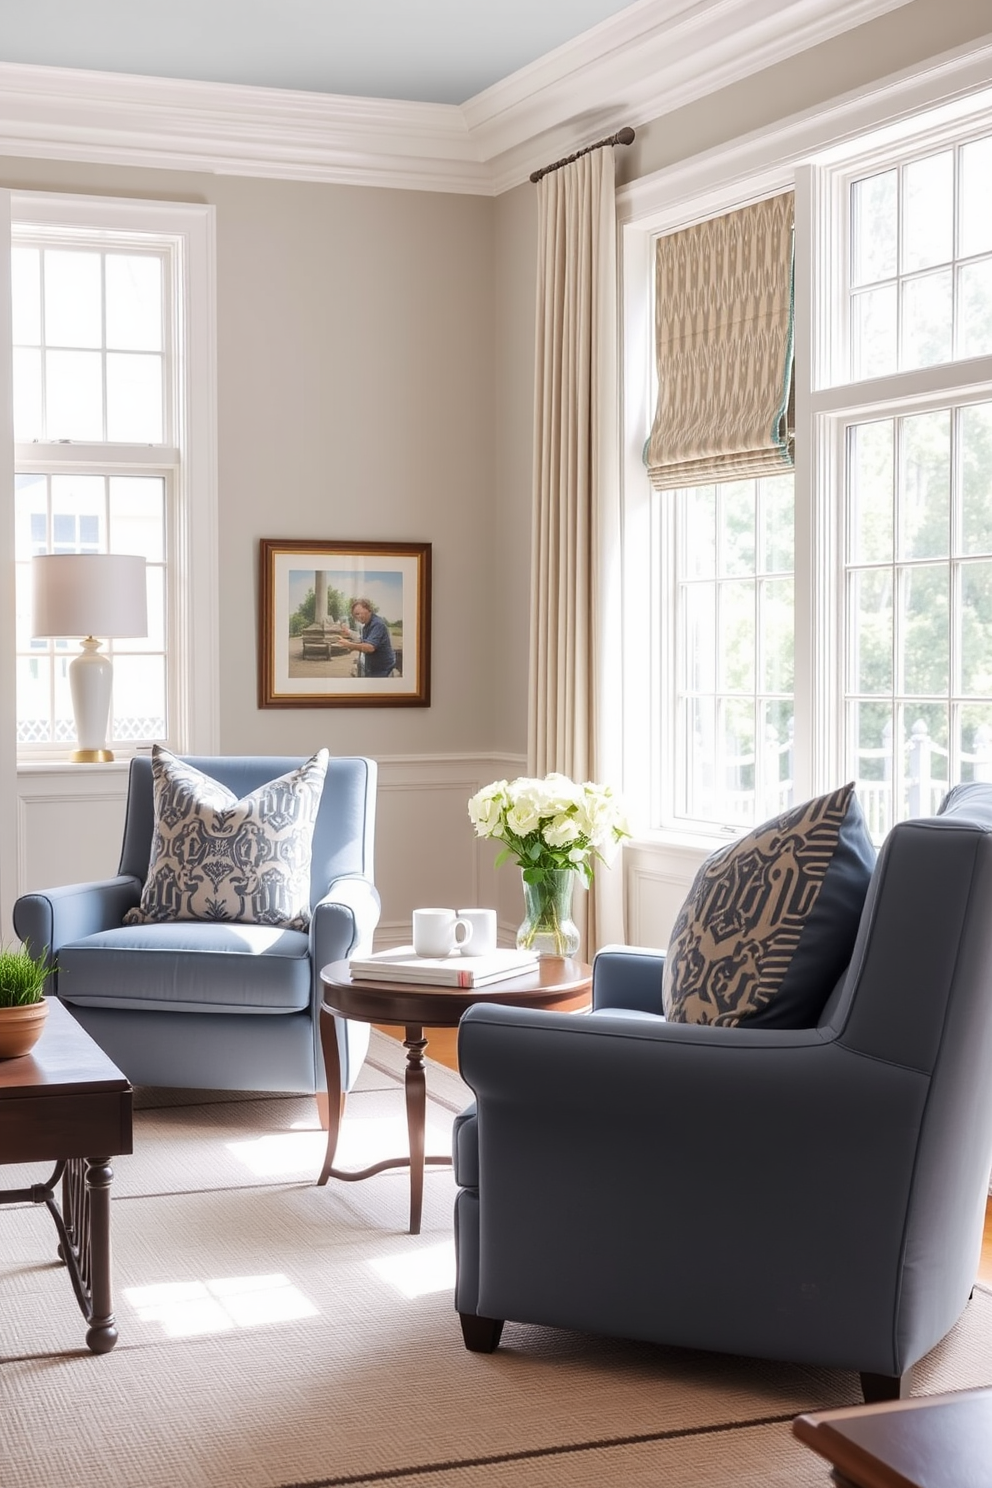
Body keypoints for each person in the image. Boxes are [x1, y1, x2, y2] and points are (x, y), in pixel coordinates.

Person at [337, 597, 396, 677]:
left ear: (368, 609)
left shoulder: (377, 624)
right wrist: (349, 632)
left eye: (358, 613)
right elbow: (363, 639)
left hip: (382, 672)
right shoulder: (367, 625)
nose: (357, 618)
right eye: (355, 616)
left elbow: (369, 647)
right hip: (373, 670)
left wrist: (349, 645)